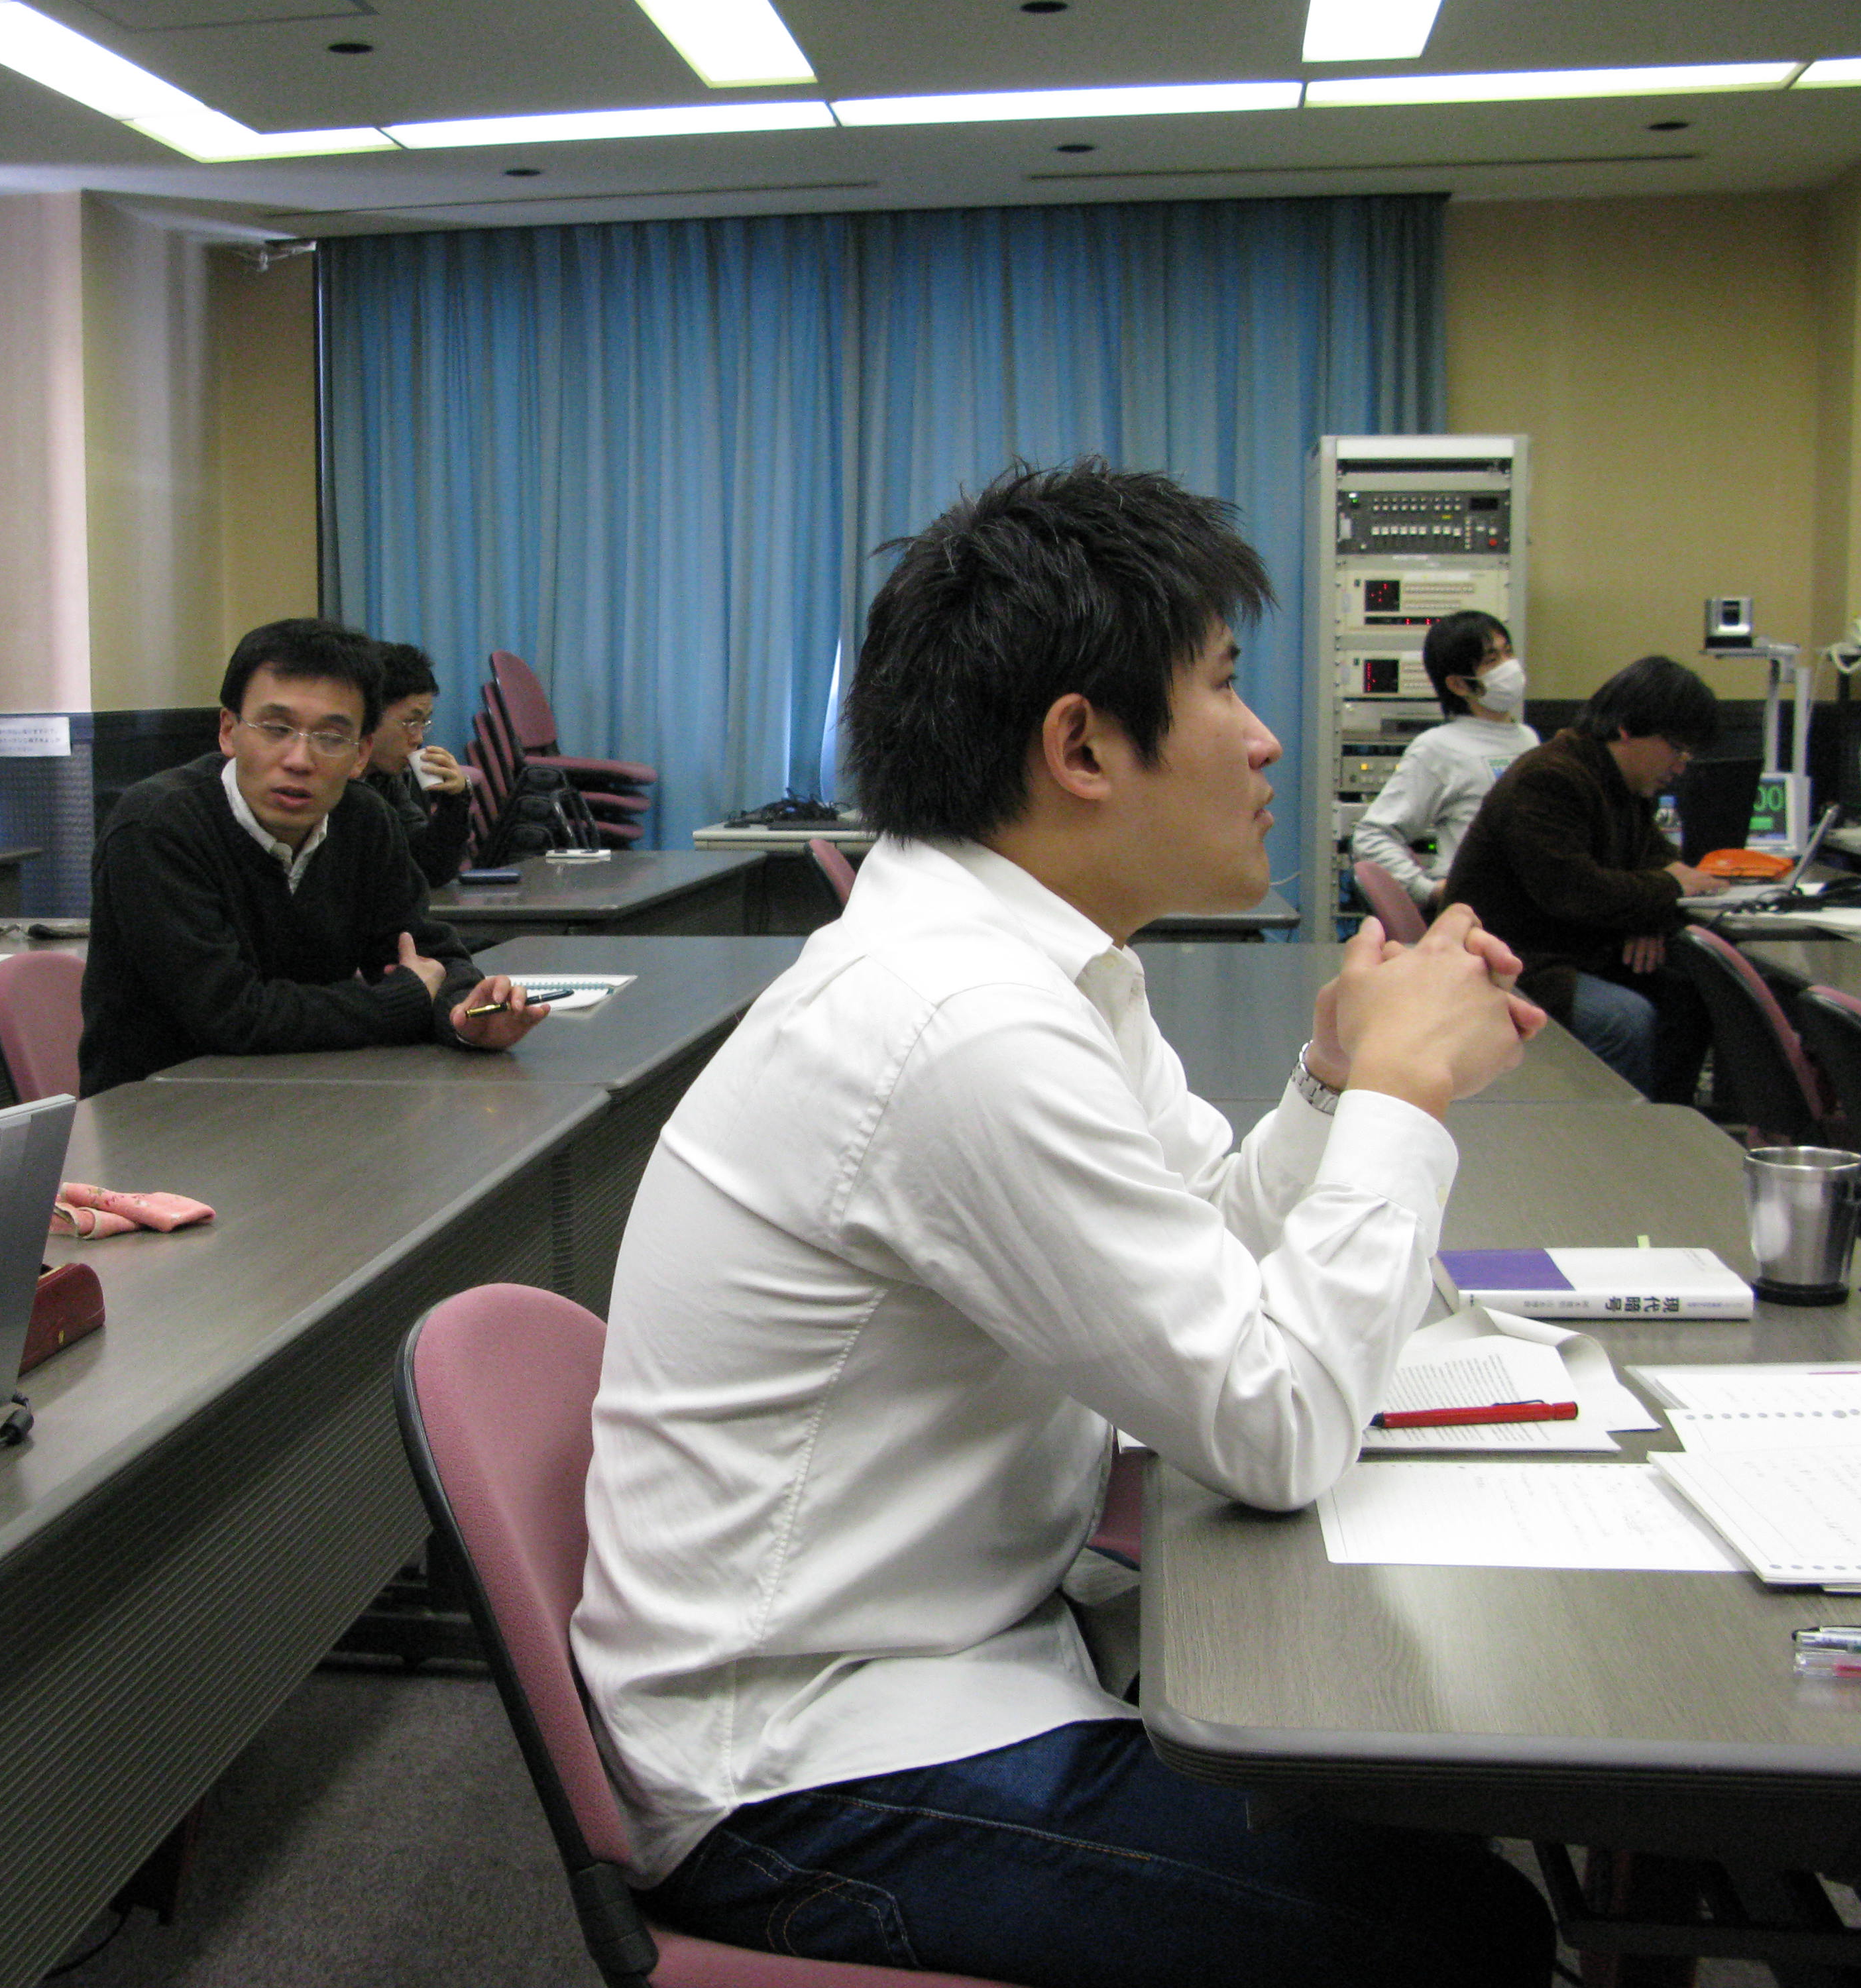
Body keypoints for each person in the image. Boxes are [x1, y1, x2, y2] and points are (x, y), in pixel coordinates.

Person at [571, 461, 1555, 1988]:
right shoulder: (958, 1021)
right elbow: (1273, 1424)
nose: (1262, 737)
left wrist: (1329, 1081)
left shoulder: (1037, 964)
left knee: (1413, 1794)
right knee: (1463, 1929)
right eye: (1222, 683)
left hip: (965, 1651)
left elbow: (1206, 1250)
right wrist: (1402, 1098)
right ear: (1080, 744)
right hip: (807, 1766)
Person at [78, 618, 546, 1093]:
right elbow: (229, 1015)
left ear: (361, 754)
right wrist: (402, 1001)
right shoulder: (157, 825)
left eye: (331, 737)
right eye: (276, 729)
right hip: (161, 1111)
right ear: (229, 731)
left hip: (309, 1093)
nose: (299, 760)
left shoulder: (364, 819)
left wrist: (466, 1014)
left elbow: (427, 953)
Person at [1442, 653, 1726, 1102]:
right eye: (1677, 747)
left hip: (1569, 951)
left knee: (1693, 993)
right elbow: (1576, 892)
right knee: (1623, 1019)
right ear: (1628, 729)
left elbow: (1661, 866)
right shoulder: (1550, 778)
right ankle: (1615, 1135)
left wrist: (1649, 916)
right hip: (1512, 963)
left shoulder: (1621, 784)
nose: (1682, 765)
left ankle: (1666, 1124)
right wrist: (1666, 891)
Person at [1350, 610, 1538, 909]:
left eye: (1508, 653)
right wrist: (1428, 890)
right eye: (1492, 661)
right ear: (1459, 685)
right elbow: (1372, 836)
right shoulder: (1438, 747)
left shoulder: (1527, 738)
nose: (1508, 666)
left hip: (1526, 902)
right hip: (1476, 910)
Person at [356, 642, 475, 887]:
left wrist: (455, 801)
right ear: (367, 716)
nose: (419, 738)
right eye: (411, 722)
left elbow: (428, 870)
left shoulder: (387, 779)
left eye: (424, 724)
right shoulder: (327, 784)